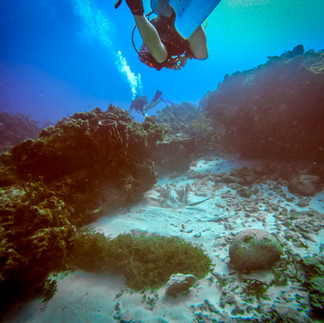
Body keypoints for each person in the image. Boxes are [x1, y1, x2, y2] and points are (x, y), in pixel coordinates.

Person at [116, 0, 209, 70]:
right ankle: (137, 9)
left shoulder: (160, 56)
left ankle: (137, 10)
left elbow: (147, 55)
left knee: (160, 58)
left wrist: (167, 63)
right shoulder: (171, 55)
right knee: (202, 55)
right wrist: (186, 56)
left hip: (163, 27)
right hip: (178, 30)